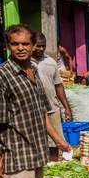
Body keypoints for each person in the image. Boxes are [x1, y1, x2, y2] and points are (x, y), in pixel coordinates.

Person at [0, 24, 72, 178]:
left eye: (25, 44)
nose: (21, 48)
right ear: (8, 46)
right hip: (15, 148)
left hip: (35, 147)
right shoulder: (3, 75)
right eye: (15, 44)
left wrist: (58, 140)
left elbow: (41, 113)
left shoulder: (33, 71)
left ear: (33, 46)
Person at [31, 32, 73, 161]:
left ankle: (52, 166)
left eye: (43, 46)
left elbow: (58, 85)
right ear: (32, 45)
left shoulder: (50, 62)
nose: (41, 49)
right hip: (33, 110)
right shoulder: (26, 62)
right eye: (38, 46)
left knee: (55, 141)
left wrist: (66, 107)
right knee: (36, 142)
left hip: (52, 108)